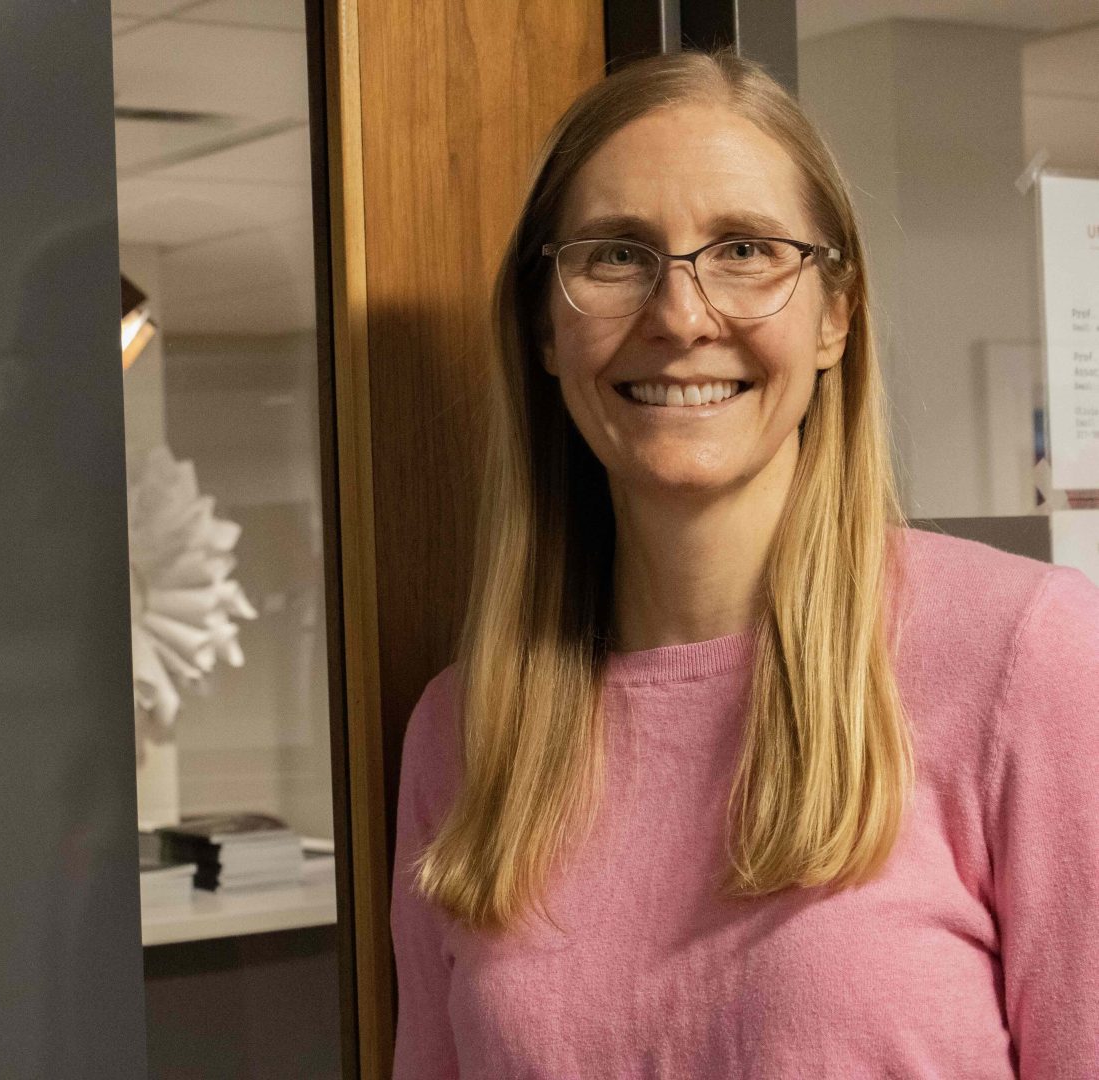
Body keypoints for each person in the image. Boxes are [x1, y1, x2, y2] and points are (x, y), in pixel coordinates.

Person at [390, 49, 1099, 1079]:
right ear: (546, 326)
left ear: (836, 314)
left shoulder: (1032, 658)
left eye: (746, 249)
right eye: (616, 256)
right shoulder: (462, 730)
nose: (680, 316)